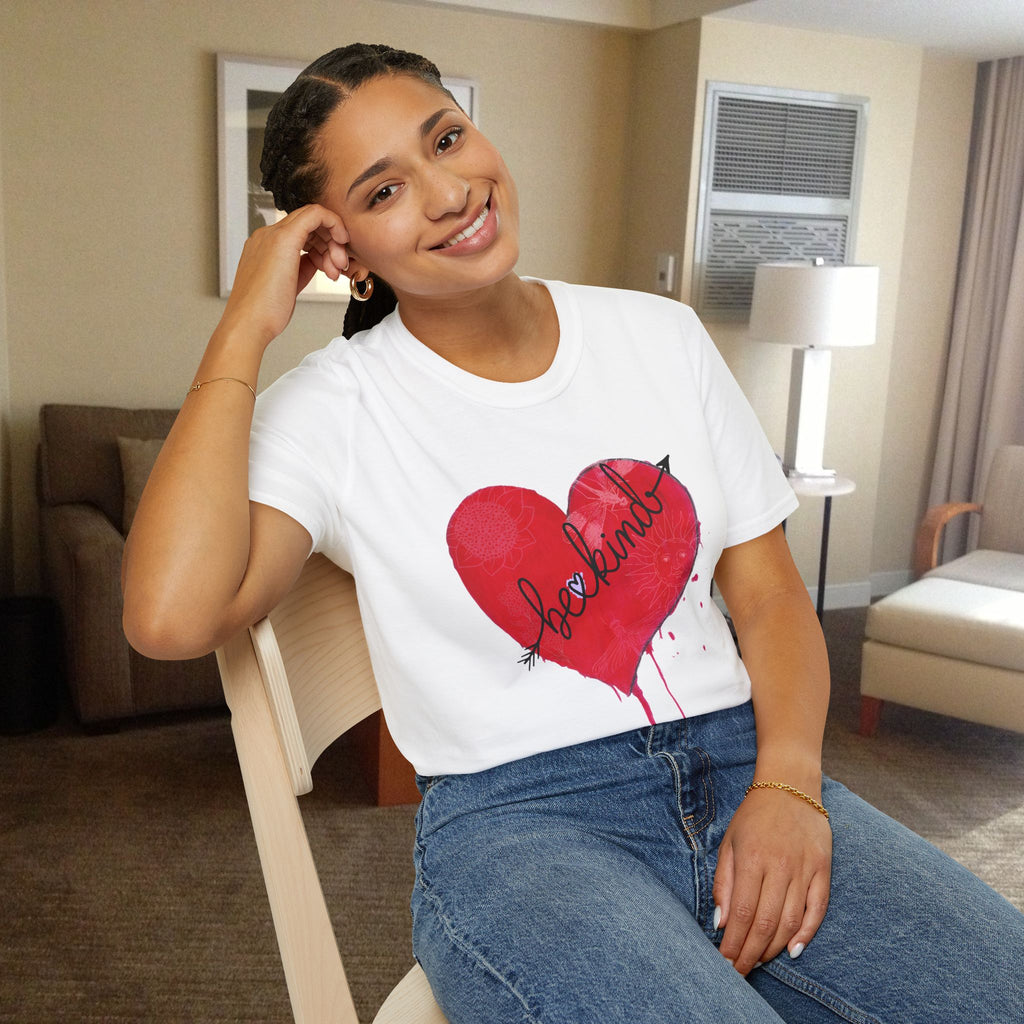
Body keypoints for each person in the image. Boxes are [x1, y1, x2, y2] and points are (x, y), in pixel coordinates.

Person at [122, 43, 1024, 1024]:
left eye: (448, 139)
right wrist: (243, 329)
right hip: (521, 827)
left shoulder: (661, 337)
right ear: (340, 248)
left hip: (742, 760)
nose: (449, 191)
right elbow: (170, 617)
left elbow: (768, 597)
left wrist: (790, 786)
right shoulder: (332, 408)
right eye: (384, 191)